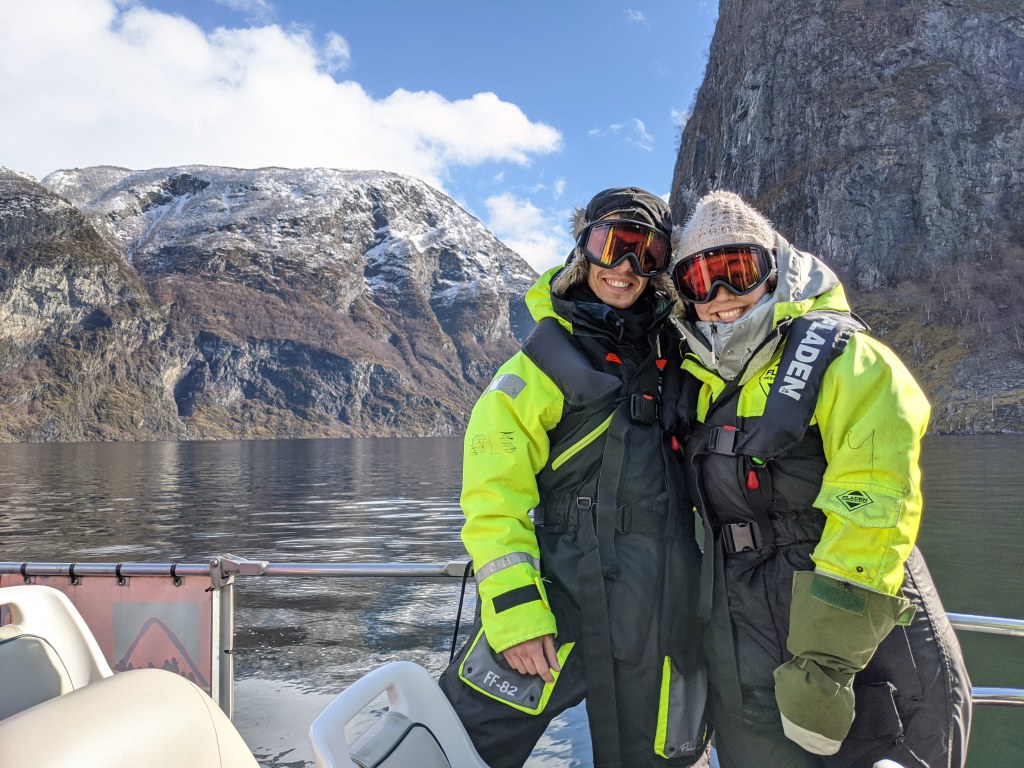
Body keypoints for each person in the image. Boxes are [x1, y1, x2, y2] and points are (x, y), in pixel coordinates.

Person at [662, 190, 972, 767]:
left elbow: (874, 509)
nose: (722, 297)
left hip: (865, 655)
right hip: (746, 646)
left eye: (737, 270)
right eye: (700, 279)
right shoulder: (697, 382)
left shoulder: (852, 361)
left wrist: (824, 662)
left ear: (773, 269)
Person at [439, 187, 710, 768]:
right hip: (562, 593)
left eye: (646, 252)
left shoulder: (688, 354)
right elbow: (493, 501)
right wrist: (514, 612)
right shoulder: (536, 366)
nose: (625, 268)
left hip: (662, 607)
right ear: (583, 248)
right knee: (456, 744)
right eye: (612, 245)